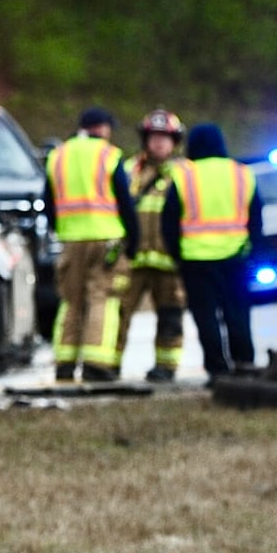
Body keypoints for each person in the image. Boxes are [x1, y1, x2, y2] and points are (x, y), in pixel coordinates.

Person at [161, 121, 263, 382]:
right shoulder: (242, 173)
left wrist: (176, 254)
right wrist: (254, 252)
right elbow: (256, 218)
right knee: (237, 313)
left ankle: (218, 369)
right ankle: (244, 363)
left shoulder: (185, 177)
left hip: (196, 260)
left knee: (206, 318)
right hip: (235, 257)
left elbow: (169, 221)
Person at [45, 106, 139, 382]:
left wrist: (62, 230)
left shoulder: (57, 156)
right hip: (106, 239)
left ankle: (64, 362)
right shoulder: (109, 156)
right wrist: (132, 239)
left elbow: (48, 203)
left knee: (71, 301)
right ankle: (97, 363)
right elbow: (125, 202)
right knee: (102, 298)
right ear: (104, 128)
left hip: (71, 239)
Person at [116, 109, 188, 383]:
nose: (159, 143)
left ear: (175, 142)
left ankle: (166, 367)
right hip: (132, 259)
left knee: (170, 316)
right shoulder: (127, 170)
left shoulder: (184, 173)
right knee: (119, 314)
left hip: (168, 260)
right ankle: (109, 365)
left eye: (165, 138)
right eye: (154, 137)